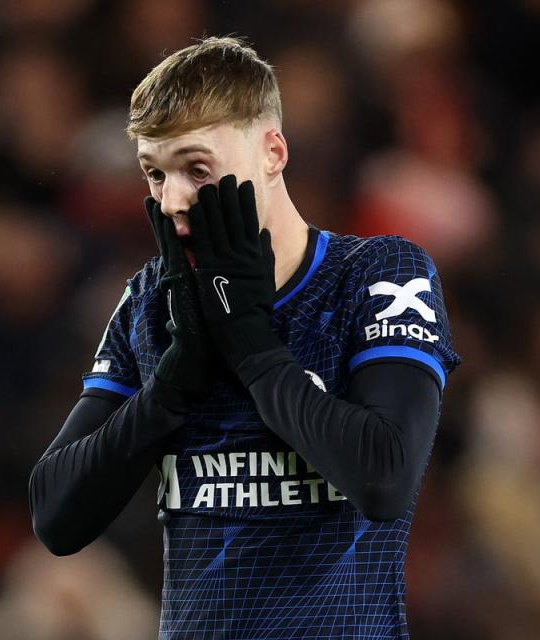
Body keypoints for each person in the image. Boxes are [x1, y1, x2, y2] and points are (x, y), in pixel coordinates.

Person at [29, 36, 461, 639]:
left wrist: (254, 350)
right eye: (155, 174)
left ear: (273, 152)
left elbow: (383, 478)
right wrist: (172, 385)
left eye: (197, 168)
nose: (173, 199)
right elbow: (55, 515)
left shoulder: (376, 275)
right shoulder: (153, 303)